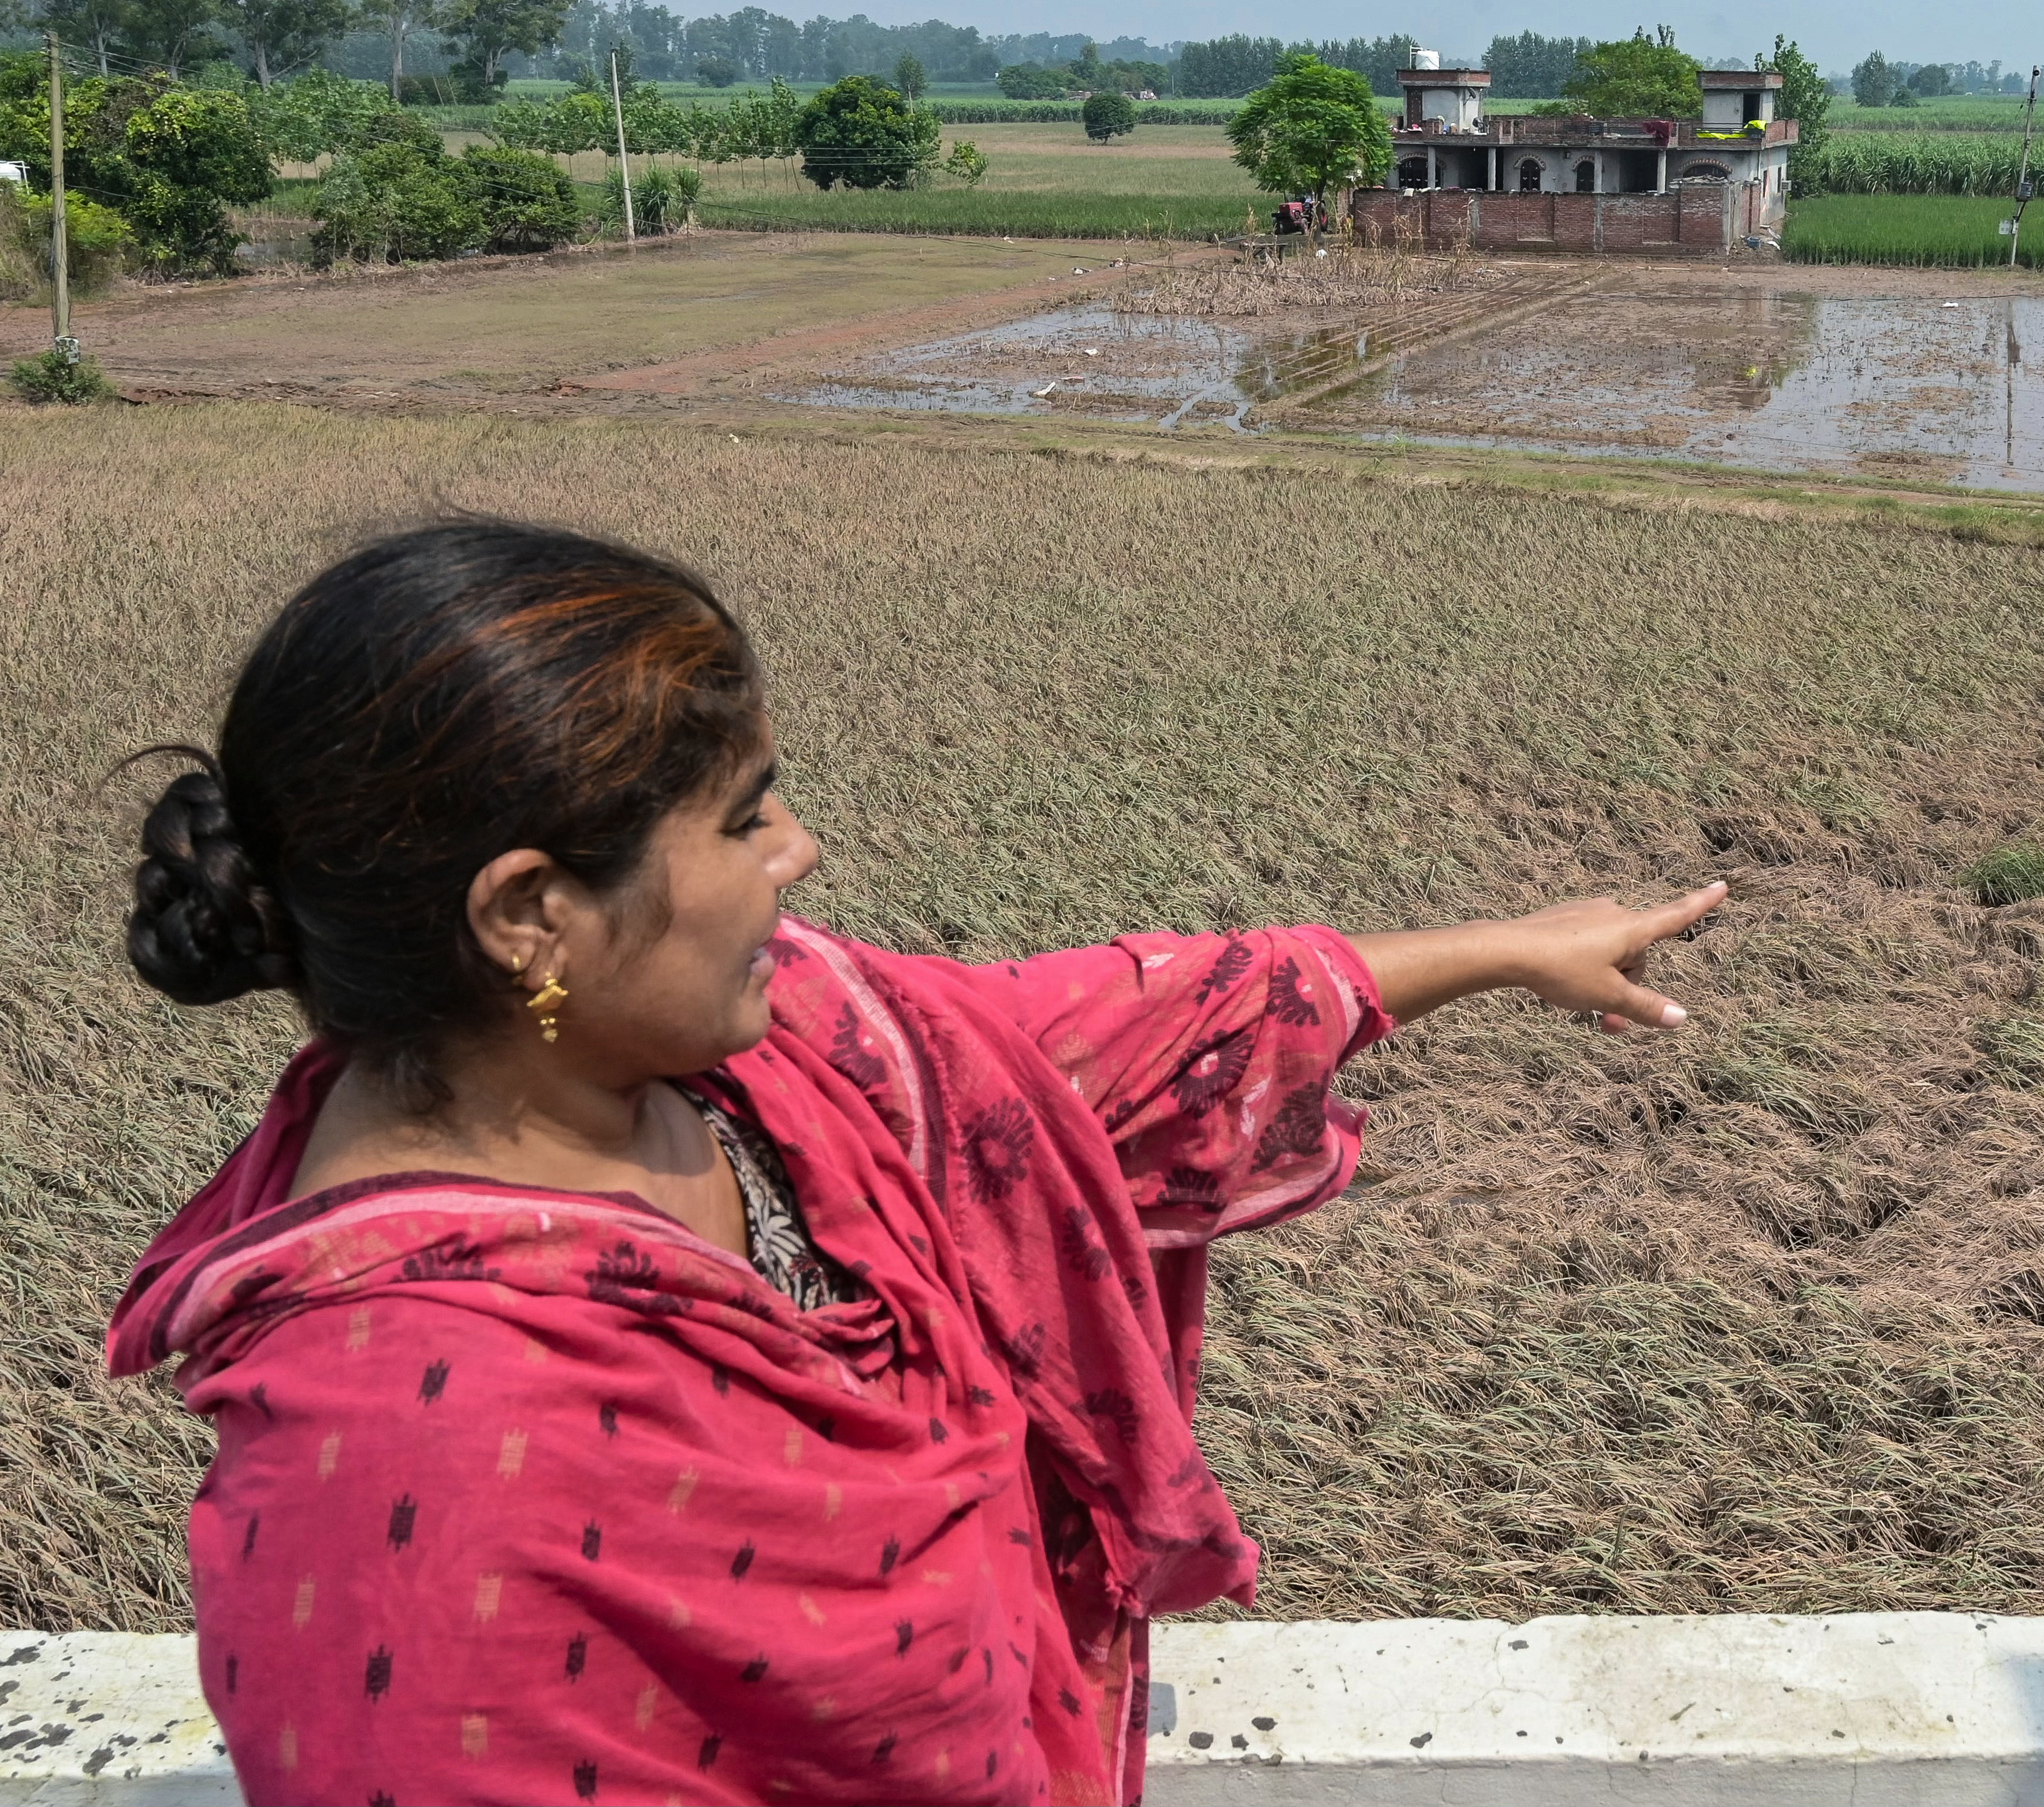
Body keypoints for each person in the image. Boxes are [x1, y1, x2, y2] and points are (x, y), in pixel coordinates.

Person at [106, 521, 1725, 1807]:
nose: (796, 848)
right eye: (743, 818)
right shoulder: (406, 1485)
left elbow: (1064, 1044)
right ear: (531, 913)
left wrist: (1494, 950)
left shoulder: (753, 1055)